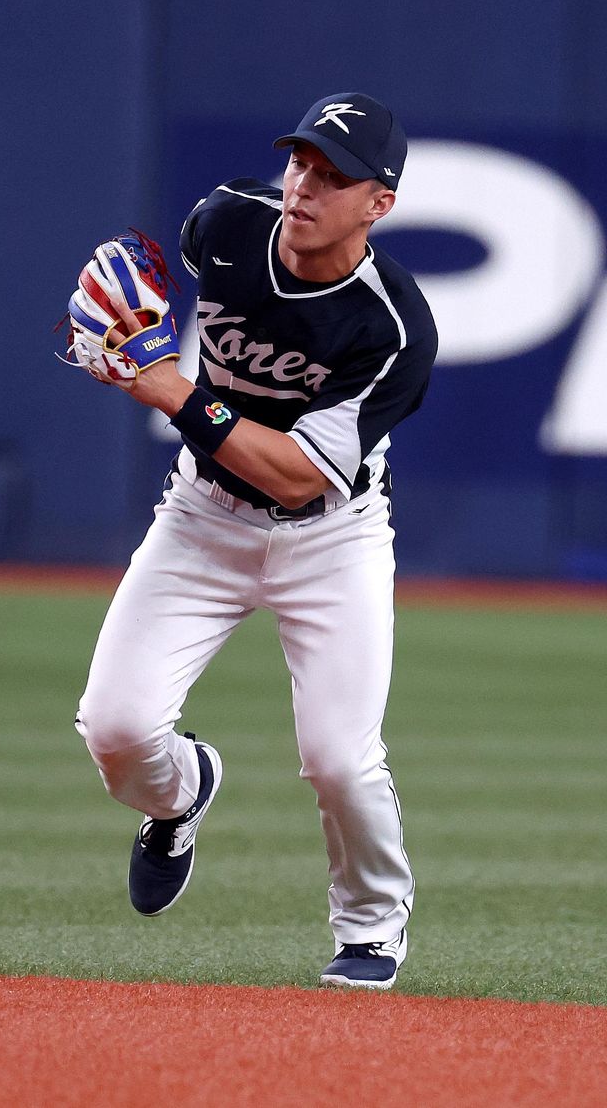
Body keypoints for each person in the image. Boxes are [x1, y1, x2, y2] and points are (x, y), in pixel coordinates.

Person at [75, 92, 438, 989]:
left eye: (334, 177)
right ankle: (183, 792)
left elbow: (295, 476)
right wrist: (121, 312)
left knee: (340, 758)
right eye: (301, 164)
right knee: (116, 730)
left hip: (333, 538)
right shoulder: (226, 226)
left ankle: (371, 926)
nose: (306, 187)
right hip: (202, 517)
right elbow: (151, 275)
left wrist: (171, 388)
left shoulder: (392, 330)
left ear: (378, 204)